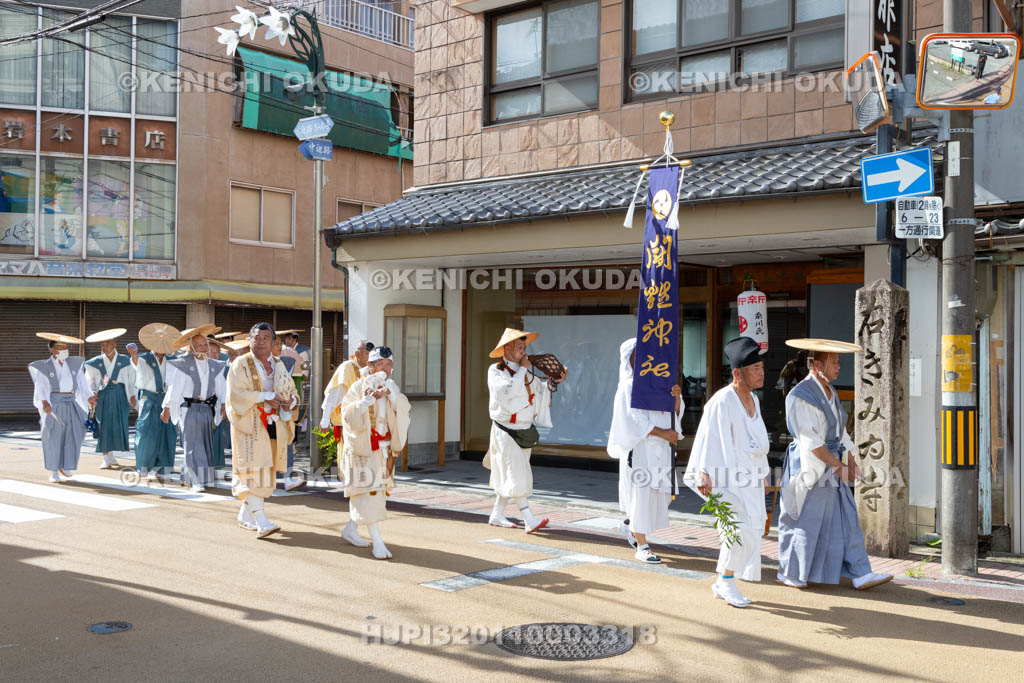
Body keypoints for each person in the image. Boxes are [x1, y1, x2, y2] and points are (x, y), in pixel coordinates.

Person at [776, 338, 893, 591]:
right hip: (810, 465)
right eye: (834, 362)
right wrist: (839, 467)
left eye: (838, 362)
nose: (839, 367)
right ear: (817, 366)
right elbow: (811, 441)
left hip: (831, 463)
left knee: (846, 517)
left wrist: (851, 461)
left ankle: (861, 573)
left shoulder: (830, 391)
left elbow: (841, 434)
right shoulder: (801, 396)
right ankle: (791, 573)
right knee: (805, 521)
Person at [684, 337, 771, 608]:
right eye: (755, 368)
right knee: (738, 529)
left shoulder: (754, 400)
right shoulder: (722, 401)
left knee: (752, 530)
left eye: (761, 368)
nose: (761, 373)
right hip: (722, 478)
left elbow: (758, 441)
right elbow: (707, 437)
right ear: (738, 374)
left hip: (749, 478)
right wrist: (703, 472)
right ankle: (726, 580)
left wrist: (763, 474)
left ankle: (724, 581)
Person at [483, 328, 567, 533]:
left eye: (524, 347)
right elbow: (508, 392)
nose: (523, 351)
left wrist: (554, 381)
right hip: (506, 430)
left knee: (509, 472)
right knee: (517, 473)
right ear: (507, 349)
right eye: (519, 347)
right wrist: (523, 369)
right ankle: (529, 518)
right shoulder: (496, 371)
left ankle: (497, 514)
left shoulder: (526, 371)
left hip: (523, 430)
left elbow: (539, 391)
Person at [607, 337, 682, 564]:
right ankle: (642, 545)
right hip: (640, 451)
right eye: (637, 353)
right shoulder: (628, 386)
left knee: (661, 498)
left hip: (661, 451)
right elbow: (634, 421)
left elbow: (672, 413)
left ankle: (630, 525)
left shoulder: (658, 383)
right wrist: (662, 433)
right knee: (641, 497)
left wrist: (676, 398)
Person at [225, 323, 299, 539]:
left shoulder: (278, 364)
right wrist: (265, 397)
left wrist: (290, 401)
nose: (260, 342)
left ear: (273, 342)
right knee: (251, 470)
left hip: (274, 423)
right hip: (250, 423)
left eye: (265, 338)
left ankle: (245, 515)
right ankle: (261, 520)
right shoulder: (240, 364)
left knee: (266, 469)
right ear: (249, 341)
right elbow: (236, 395)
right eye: (256, 338)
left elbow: (291, 390)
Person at [338, 346, 410, 559]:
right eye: (380, 364)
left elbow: (403, 410)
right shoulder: (358, 387)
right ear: (370, 366)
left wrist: (391, 395)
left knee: (373, 493)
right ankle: (377, 542)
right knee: (369, 495)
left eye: (388, 364)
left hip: (382, 450)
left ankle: (351, 529)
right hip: (363, 450)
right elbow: (346, 415)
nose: (385, 368)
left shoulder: (391, 386)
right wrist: (364, 402)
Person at [161, 324, 226, 493]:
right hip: (189, 408)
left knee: (205, 443)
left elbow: (221, 387)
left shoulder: (215, 365)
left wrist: (224, 404)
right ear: (191, 348)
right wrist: (167, 407)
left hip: (206, 408)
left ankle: (198, 477)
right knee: (191, 444)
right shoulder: (184, 364)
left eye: (205, 344)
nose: (203, 348)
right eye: (199, 345)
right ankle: (195, 480)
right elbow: (175, 388)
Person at [29, 333, 95, 482]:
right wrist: (44, 402)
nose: (65, 350)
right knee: (53, 435)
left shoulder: (74, 364)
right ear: (52, 350)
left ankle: (67, 465)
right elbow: (40, 387)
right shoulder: (44, 367)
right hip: (54, 403)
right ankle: (54, 471)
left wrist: (89, 397)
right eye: (61, 347)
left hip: (71, 402)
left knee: (74, 433)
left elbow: (82, 384)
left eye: (66, 347)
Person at [130, 323, 180, 482]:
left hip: (166, 400)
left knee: (167, 434)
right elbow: (136, 363)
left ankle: (163, 468)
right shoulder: (144, 358)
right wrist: (134, 356)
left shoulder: (173, 360)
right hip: (149, 399)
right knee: (146, 434)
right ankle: (143, 467)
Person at [84, 328, 136, 469]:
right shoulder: (95, 362)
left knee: (118, 425)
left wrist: (132, 396)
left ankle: (112, 454)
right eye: (102, 344)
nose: (104, 347)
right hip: (104, 395)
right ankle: (106, 457)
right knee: (104, 425)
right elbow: (89, 382)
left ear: (114, 345)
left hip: (120, 394)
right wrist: (92, 392)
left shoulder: (125, 361)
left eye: (107, 343)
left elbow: (132, 381)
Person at [321, 339, 374, 443]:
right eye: (367, 354)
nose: (370, 357)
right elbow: (334, 393)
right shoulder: (347, 367)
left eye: (371, 354)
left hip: (364, 421)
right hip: (347, 420)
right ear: (357, 354)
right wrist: (325, 418)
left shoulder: (369, 370)